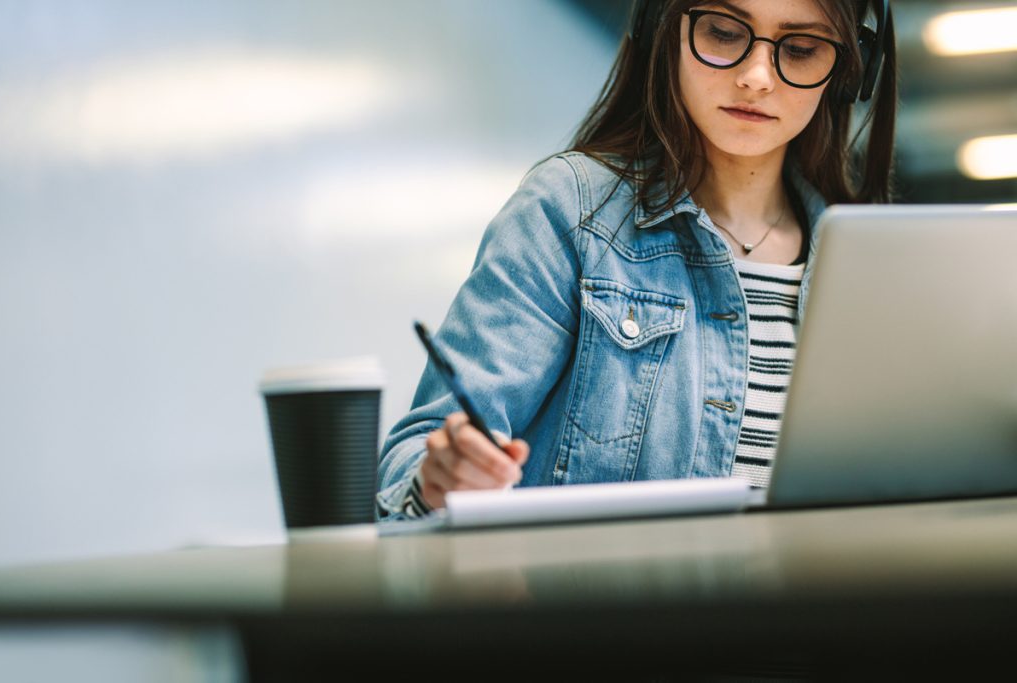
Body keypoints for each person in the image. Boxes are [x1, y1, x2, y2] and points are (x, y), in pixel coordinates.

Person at [377, 0, 897, 519]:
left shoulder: (868, 263)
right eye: (722, 32)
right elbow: (413, 460)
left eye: (802, 49)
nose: (757, 77)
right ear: (662, 28)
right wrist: (441, 478)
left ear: (853, 71)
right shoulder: (570, 212)